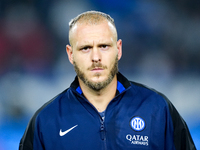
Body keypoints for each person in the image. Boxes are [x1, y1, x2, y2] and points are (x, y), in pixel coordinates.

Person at [19, 10, 196, 150]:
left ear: (118, 49)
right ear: (70, 54)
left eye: (104, 46)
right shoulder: (46, 121)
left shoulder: (158, 109)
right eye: (86, 48)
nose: (96, 57)